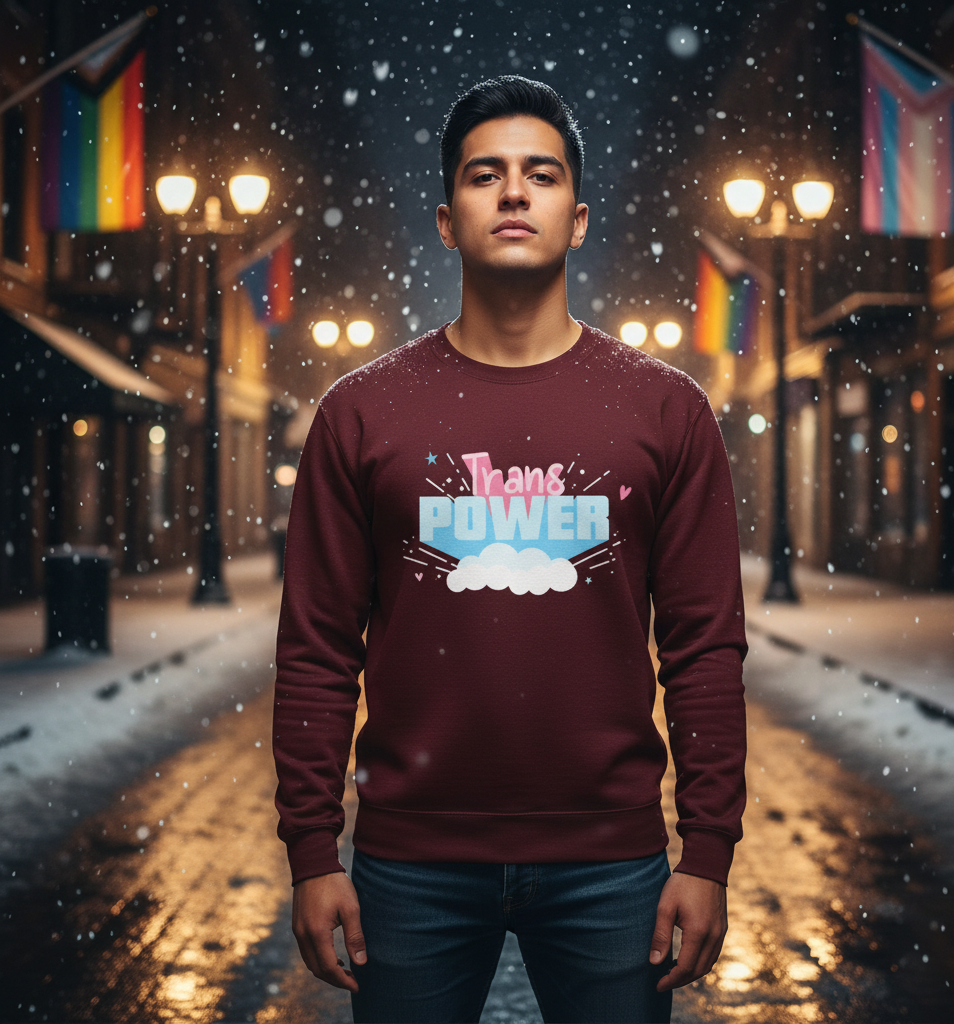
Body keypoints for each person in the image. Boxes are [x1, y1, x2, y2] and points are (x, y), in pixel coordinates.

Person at [273, 75, 747, 1024]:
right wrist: (314, 855)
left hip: (613, 865)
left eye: (542, 174)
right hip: (409, 864)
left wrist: (706, 855)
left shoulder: (666, 411)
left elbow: (703, 646)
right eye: (487, 175)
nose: (517, 193)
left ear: (578, 218)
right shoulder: (363, 413)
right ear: (448, 221)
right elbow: (318, 648)